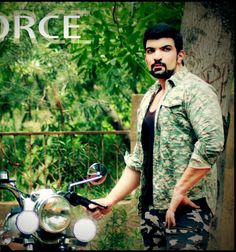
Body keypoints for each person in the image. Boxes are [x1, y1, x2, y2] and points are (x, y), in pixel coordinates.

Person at [87, 23, 224, 250]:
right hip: (152, 211)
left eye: (165, 49)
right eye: (151, 51)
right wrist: (109, 200)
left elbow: (212, 143)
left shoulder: (195, 90)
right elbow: (138, 162)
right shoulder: (151, 97)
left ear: (180, 55)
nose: (157, 56)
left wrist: (180, 189)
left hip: (187, 211)